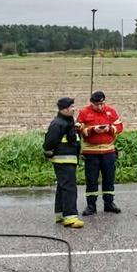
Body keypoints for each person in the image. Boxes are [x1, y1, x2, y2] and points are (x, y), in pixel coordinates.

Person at [76, 91, 124, 215]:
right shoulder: (84, 112)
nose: (100, 107)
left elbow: (119, 126)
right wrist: (92, 130)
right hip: (91, 152)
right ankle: (91, 206)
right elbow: (79, 129)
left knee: (109, 178)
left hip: (108, 151)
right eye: (97, 104)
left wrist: (110, 128)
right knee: (91, 180)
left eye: (102, 104)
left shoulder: (111, 111)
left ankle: (109, 203)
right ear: (91, 103)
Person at [43, 97, 84, 228]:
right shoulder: (57, 124)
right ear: (65, 109)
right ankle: (70, 218)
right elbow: (48, 144)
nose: (74, 109)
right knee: (69, 188)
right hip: (63, 161)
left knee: (62, 187)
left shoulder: (67, 122)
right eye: (72, 107)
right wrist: (50, 155)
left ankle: (60, 215)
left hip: (68, 160)